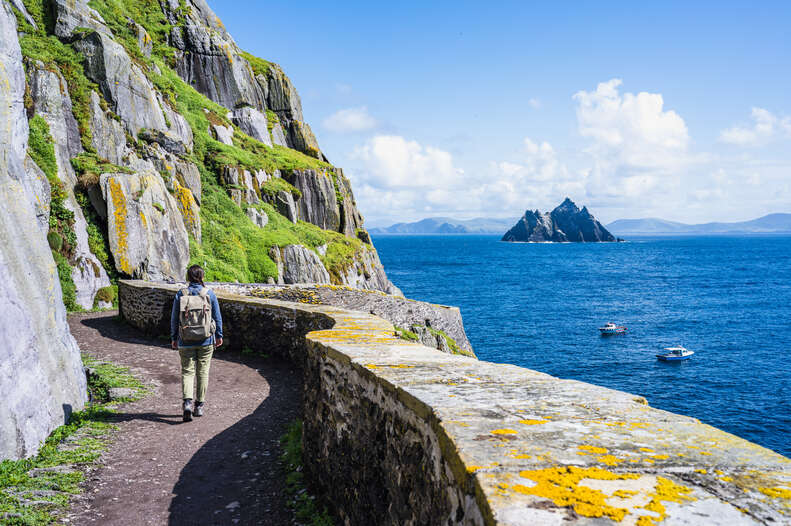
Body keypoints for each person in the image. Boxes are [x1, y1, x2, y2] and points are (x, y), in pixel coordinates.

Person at [171, 265, 223, 422]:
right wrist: (219, 335)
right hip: (206, 339)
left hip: (185, 339)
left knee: (187, 371)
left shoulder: (181, 294)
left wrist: (174, 337)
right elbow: (217, 317)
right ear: (202, 276)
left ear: (188, 276)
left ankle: (187, 403)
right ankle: (199, 406)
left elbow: (174, 319)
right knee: (203, 372)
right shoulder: (209, 293)